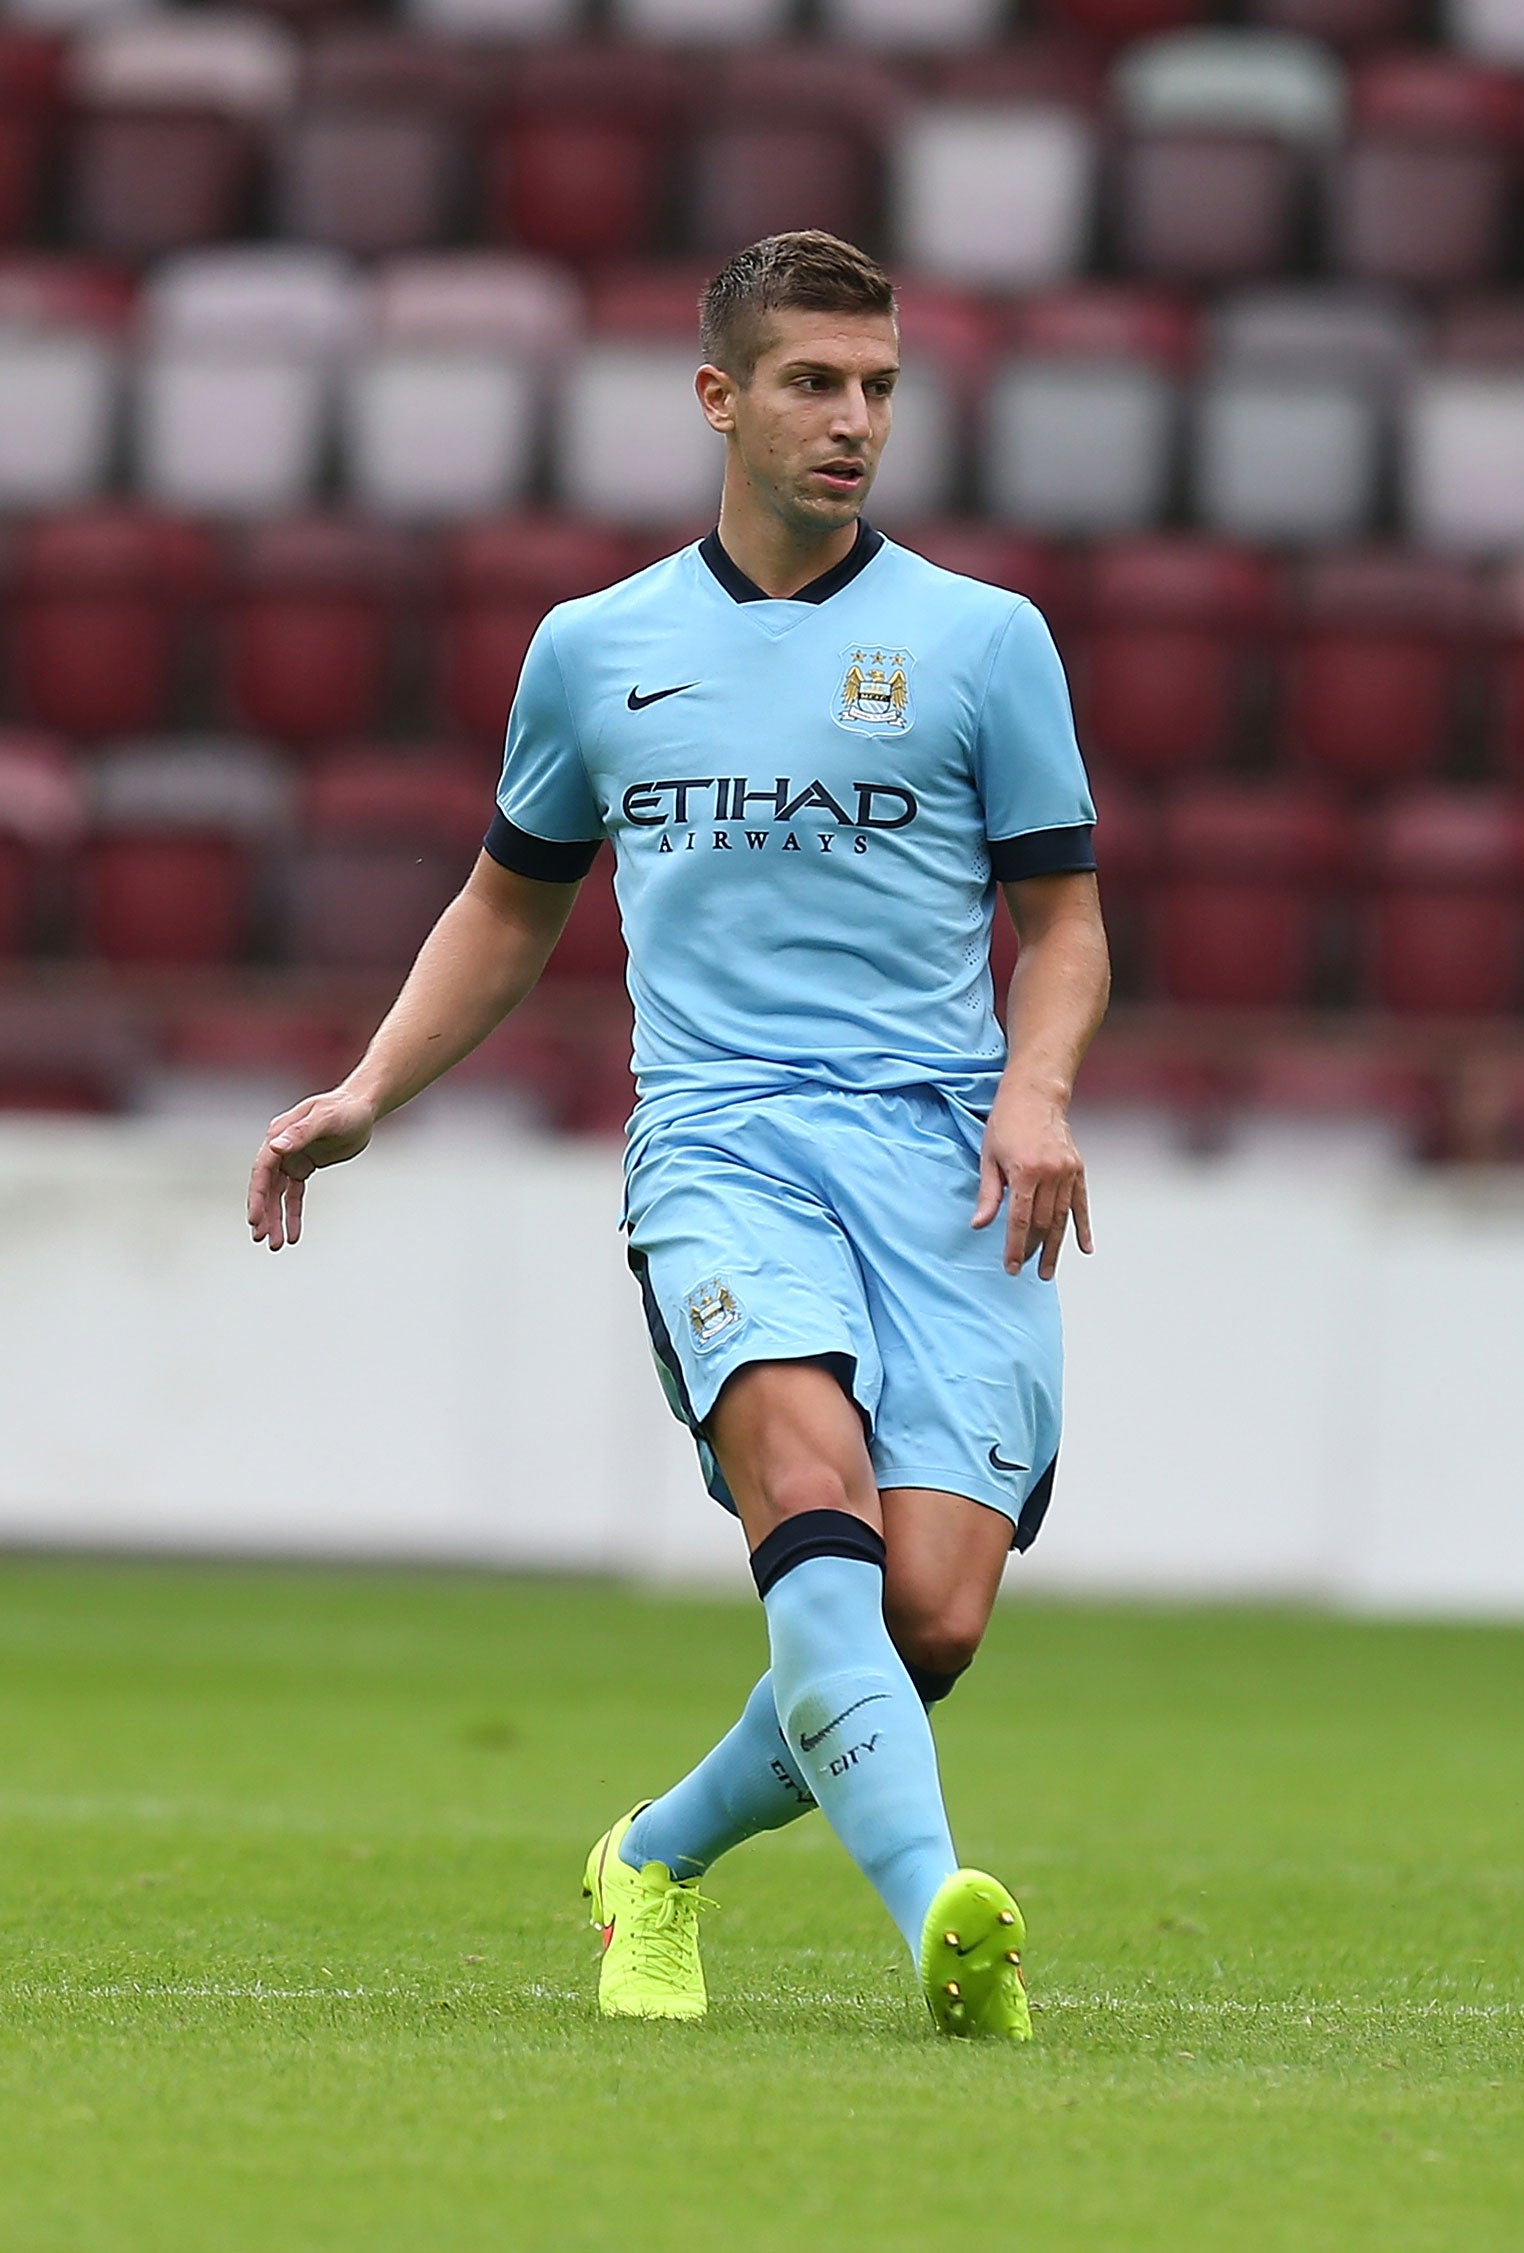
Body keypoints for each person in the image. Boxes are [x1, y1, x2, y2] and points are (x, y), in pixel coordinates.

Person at [243, 231, 1108, 2042]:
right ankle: (938, 1909)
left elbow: (1069, 924)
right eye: (812, 382)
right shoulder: (596, 651)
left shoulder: (982, 642)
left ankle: (652, 1853)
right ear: (719, 397)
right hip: (722, 1147)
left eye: (878, 385)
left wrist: (1036, 1091)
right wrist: (368, 1090)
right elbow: (506, 907)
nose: (853, 419)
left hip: (944, 1164)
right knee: (813, 1497)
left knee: (929, 1621)